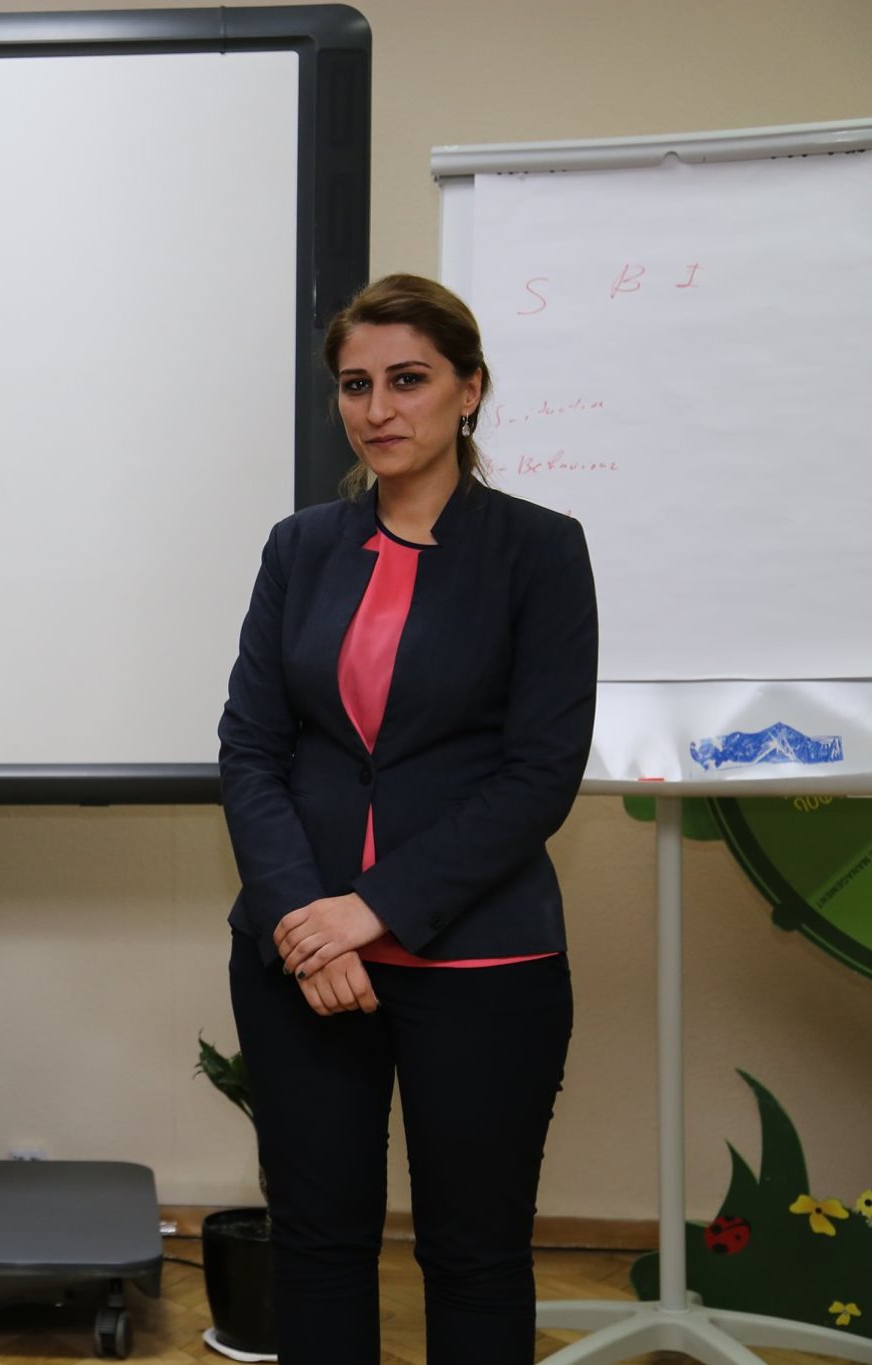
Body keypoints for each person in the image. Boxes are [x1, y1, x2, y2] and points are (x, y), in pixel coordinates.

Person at [217, 274, 597, 1363]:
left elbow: (538, 774)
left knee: (474, 1258)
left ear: (468, 390)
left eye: (408, 380)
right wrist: (308, 920)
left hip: (481, 962)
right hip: (302, 961)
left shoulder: (538, 549)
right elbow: (250, 747)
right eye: (355, 385)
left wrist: (369, 909)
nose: (378, 409)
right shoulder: (299, 548)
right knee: (316, 1246)